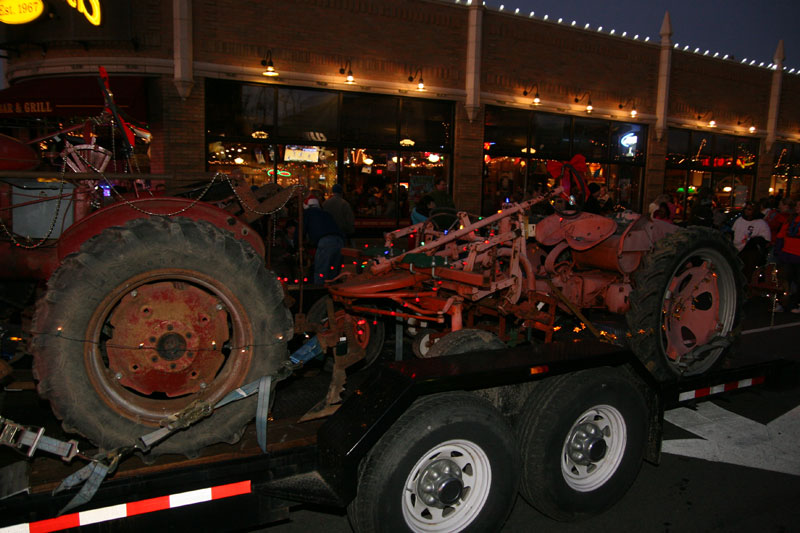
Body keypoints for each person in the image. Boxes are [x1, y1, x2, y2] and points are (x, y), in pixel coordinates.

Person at [303, 195, 345, 285]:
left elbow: (301, 231)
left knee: (321, 271)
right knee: (333, 270)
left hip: (326, 242)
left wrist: (296, 244)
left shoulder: (308, 214)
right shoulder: (326, 213)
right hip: (339, 241)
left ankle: (320, 291)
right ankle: (333, 290)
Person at [732, 201, 772, 283]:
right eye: (746, 209)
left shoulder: (761, 223)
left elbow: (766, 240)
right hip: (736, 250)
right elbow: (733, 233)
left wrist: (754, 242)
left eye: (749, 209)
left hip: (750, 252)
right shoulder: (739, 220)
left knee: (747, 272)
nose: (747, 211)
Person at [774, 200, 800, 313]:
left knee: (798, 281)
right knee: (784, 281)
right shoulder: (790, 220)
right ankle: (782, 303)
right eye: (797, 205)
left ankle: (795, 304)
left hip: (798, 256)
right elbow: (781, 235)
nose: (797, 207)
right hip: (787, 255)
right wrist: (779, 250)